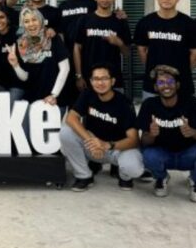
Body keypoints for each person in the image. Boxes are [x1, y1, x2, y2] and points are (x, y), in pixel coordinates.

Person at [137, 65, 196, 203]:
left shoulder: (191, 102)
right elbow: (144, 141)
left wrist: (192, 132)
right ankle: (161, 178)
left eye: (170, 81)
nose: (166, 85)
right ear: (155, 87)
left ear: (177, 85)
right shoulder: (149, 104)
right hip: (163, 154)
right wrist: (152, 134)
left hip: (187, 154)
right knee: (147, 154)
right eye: (161, 82)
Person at [59, 63, 144, 191]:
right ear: (91, 81)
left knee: (134, 169)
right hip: (93, 146)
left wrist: (107, 145)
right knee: (66, 132)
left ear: (113, 81)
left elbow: (134, 140)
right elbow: (71, 118)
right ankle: (84, 176)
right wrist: (91, 141)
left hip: (116, 149)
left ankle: (125, 176)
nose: (100, 83)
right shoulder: (87, 94)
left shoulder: (124, 103)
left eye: (104, 78)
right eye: (96, 79)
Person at [134, 0, 196, 98]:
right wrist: (153, 69)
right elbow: (141, 50)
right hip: (153, 84)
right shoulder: (145, 22)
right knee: (151, 110)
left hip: (181, 85)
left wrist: (183, 71)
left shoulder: (189, 24)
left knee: (183, 110)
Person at [7, 7, 70, 119]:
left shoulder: (53, 38)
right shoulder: (21, 44)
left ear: (41, 20)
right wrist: (15, 65)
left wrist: (54, 94)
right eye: (26, 21)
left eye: (34, 19)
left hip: (55, 101)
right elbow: (25, 77)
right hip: (33, 100)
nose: (31, 24)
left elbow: (65, 68)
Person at [73, 0, 132, 91]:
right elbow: (77, 48)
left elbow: (127, 53)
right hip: (89, 78)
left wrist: (119, 43)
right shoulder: (84, 20)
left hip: (113, 79)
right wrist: (79, 76)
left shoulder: (120, 21)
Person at [0, 7, 24, 102]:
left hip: (18, 83)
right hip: (0, 84)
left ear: (7, 18)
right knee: (2, 111)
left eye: (2, 17)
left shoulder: (19, 33)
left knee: (11, 108)